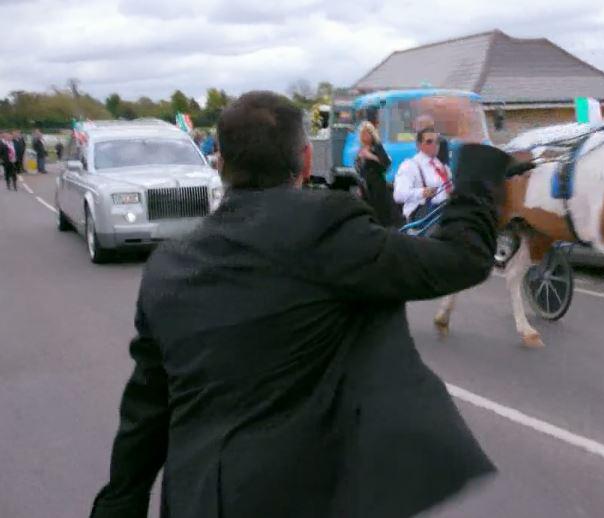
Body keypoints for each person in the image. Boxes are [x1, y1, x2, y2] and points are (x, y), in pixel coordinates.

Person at [89, 90, 512, 518]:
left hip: (198, 499)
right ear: (307, 161)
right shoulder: (328, 231)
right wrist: (472, 142)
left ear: (220, 164)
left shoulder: (166, 267)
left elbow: (148, 408)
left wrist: (120, 502)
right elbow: (462, 259)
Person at [393, 127, 453, 223]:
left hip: (443, 214)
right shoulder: (410, 165)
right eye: (429, 142)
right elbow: (398, 195)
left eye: (437, 142)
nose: (434, 145)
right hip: (422, 220)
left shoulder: (442, 166)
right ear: (419, 145)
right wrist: (422, 192)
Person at [355, 121, 398, 226]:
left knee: (380, 210)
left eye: (367, 134)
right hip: (365, 185)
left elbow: (386, 163)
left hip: (377, 185)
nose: (364, 136)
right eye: (362, 134)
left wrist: (371, 156)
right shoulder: (361, 149)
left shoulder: (377, 147)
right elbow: (359, 169)